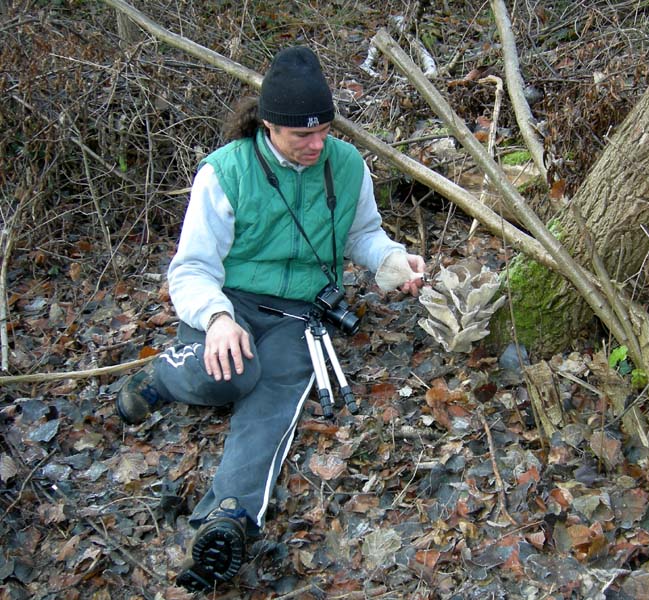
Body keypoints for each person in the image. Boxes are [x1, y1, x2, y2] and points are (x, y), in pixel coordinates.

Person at [115, 46, 425, 591]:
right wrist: (215, 319)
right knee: (229, 373)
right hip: (228, 306)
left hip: (299, 316)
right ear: (267, 126)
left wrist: (392, 261)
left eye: (324, 130)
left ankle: (229, 516)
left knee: (274, 398)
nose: (317, 144)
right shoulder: (225, 172)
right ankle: (164, 374)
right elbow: (190, 270)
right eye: (301, 135)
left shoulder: (347, 166)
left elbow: (363, 236)